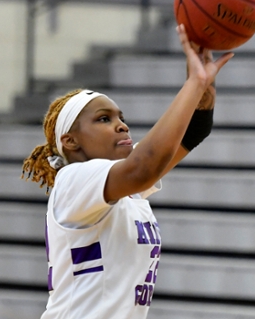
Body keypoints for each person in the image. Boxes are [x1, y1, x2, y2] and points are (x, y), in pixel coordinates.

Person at [22, 24, 234, 319]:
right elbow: (145, 166)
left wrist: (202, 84)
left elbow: (195, 130)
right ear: (70, 141)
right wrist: (194, 83)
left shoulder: (124, 187)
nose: (122, 125)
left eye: (121, 117)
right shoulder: (74, 179)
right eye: (104, 119)